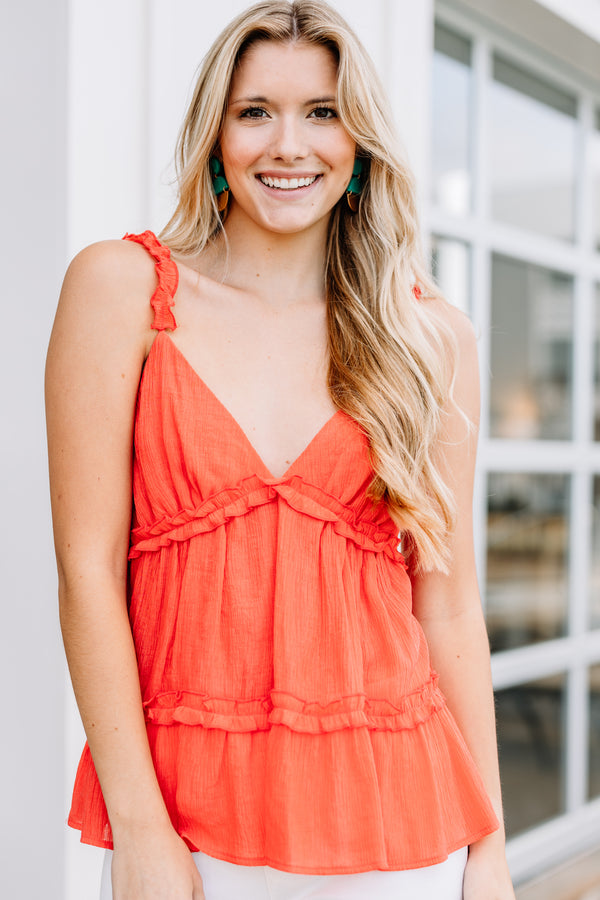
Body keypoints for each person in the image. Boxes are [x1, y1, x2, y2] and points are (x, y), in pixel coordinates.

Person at [45, 1, 516, 898]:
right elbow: (86, 571)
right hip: (187, 821)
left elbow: (448, 608)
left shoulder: (431, 339)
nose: (289, 144)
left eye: (324, 112)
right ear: (216, 133)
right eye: (256, 110)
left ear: (361, 140)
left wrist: (487, 847)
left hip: (400, 822)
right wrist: (140, 829)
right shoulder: (122, 289)